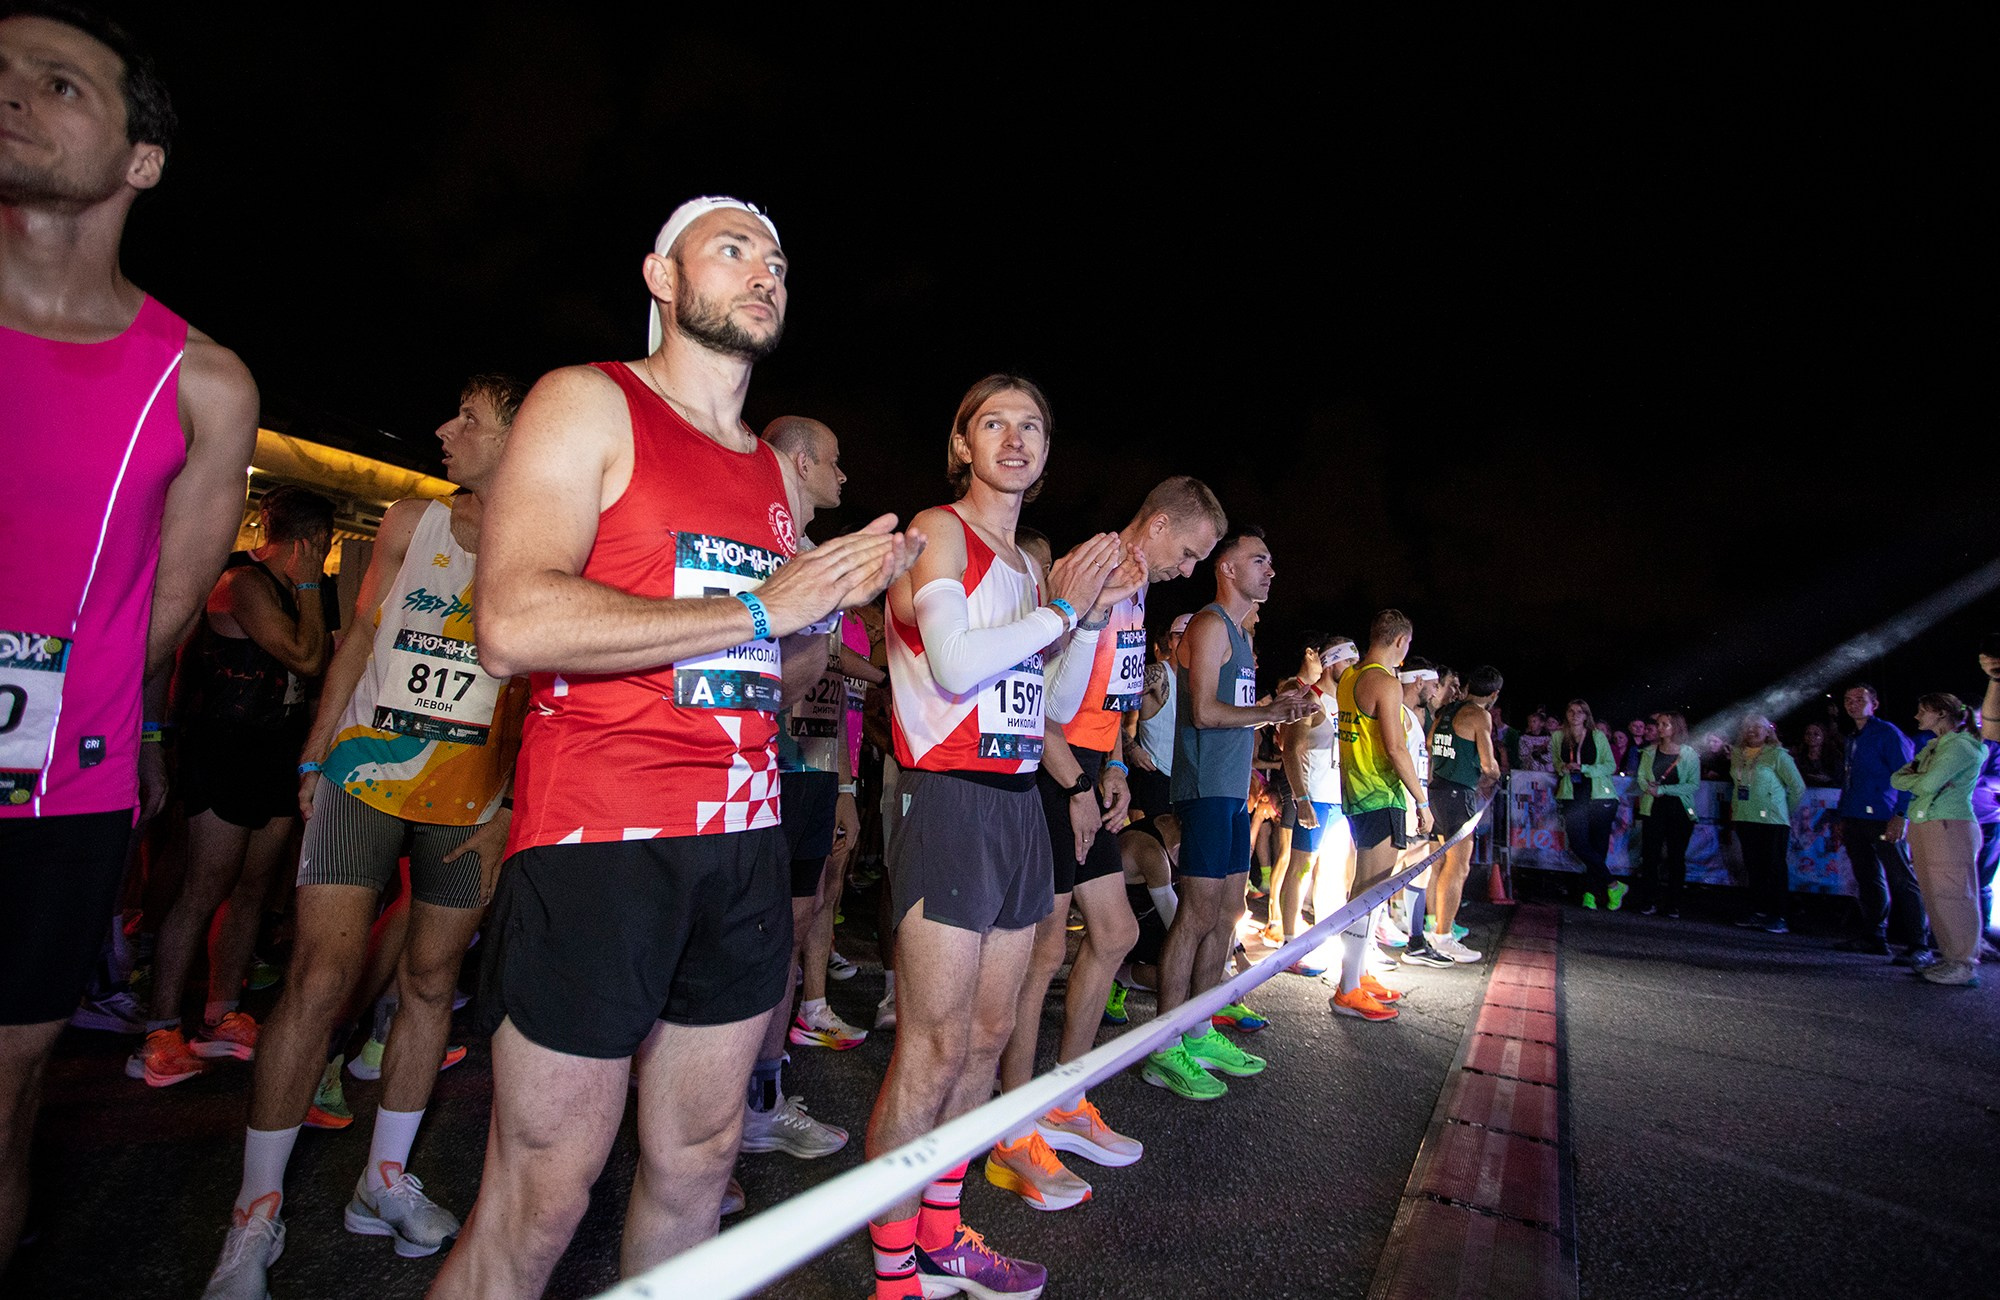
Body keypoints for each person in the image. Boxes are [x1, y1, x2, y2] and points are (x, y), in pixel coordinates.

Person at [427, 199, 921, 1300]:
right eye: (734, 250)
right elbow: (511, 622)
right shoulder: (589, 400)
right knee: (545, 1194)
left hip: (741, 840)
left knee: (698, 1165)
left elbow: (766, 678)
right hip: (601, 837)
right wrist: (760, 607)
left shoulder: (767, 477)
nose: (765, 274)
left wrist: (820, 611)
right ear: (660, 274)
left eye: (779, 262)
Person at [1, 6, 259, 1273]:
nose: (12, 98)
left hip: (49, 787)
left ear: (140, 160)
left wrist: (103, 710)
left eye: (56, 84)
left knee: (4, 1099)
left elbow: (161, 606)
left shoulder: (202, 383)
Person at [198, 377, 531, 1298]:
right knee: (319, 975)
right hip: (364, 774)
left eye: (469, 418)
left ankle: (383, 1180)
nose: (444, 428)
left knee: (429, 985)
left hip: (471, 797)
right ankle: (252, 1219)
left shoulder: (550, 543)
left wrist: (512, 809)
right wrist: (312, 757)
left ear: (520, 436)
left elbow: (546, 688)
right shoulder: (404, 524)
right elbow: (354, 643)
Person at [865, 373, 1125, 1299]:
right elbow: (955, 661)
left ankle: (942, 1236)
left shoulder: (1024, 569)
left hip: (1018, 802)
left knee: (985, 1037)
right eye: (992, 424)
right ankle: (893, 1270)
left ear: (1048, 451)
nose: (1013, 440)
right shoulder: (939, 532)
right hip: (946, 800)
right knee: (929, 1048)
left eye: (1031, 427)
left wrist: (1079, 623)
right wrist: (1061, 614)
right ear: (962, 443)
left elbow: (1036, 699)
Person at [991, 476, 1225, 1210]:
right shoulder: (1091, 570)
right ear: (1156, 525)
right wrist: (1075, 785)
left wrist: (1118, 764)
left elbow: (1108, 697)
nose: (1189, 570)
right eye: (1188, 553)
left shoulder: (1136, 584)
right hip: (1050, 776)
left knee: (1117, 932)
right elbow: (1035, 694)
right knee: (1043, 951)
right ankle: (1014, 1125)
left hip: (1092, 771)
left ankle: (1065, 1096)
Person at [132, 487, 335, 1086]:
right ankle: (160, 1027)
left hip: (274, 752)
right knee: (205, 886)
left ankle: (222, 1013)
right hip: (223, 750)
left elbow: (317, 662)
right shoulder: (243, 581)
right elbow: (305, 656)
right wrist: (307, 586)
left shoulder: (296, 588)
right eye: (322, 546)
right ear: (310, 540)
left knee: (252, 889)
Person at [1141, 529, 1309, 1100]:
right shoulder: (1212, 625)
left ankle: (1201, 1026)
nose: (1271, 571)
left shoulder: (1241, 634)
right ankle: (1163, 1047)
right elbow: (1208, 713)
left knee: (1230, 911)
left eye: (1272, 561)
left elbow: (1238, 715)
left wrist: (1277, 711)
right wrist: (1268, 708)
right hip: (1206, 787)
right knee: (1196, 913)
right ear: (1228, 568)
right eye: (1260, 560)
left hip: (1234, 790)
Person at [744, 416, 862, 1163]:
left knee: (790, 931)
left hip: (813, 770)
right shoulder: (747, 540)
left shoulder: (819, 560)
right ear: (799, 459)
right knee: (742, 942)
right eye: (837, 461)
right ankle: (712, 1118)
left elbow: (826, 687)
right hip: (749, 771)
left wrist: (843, 779)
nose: (844, 476)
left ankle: (762, 1099)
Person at [1327, 611, 1429, 1021]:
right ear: (1401, 641)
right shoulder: (1385, 682)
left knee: (1369, 891)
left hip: (1356, 793)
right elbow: (1396, 748)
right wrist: (1421, 801)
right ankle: (1347, 988)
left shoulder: (1350, 676)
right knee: (1368, 893)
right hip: (1379, 796)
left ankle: (1359, 973)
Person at [1892, 694, 1984, 986]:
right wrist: (1920, 780)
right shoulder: (1935, 746)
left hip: (1949, 825)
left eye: (1923, 711)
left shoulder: (1962, 746)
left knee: (1954, 895)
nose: (1918, 717)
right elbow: (1897, 778)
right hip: (1926, 823)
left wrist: (1919, 780)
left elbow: (1927, 782)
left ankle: (1964, 963)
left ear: (1942, 713)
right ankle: (1949, 957)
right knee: (1934, 896)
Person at [1833, 683, 1925, 958]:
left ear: (1874, 703)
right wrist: (1841, 815)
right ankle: (1874, 935)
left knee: (1901, 878)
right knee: (1868, 878)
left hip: (1884, 817)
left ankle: (1919, 944)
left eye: (1860, 699)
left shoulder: (1888, 734)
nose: (1852, 703)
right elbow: (1849, 782)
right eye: (1848, 699)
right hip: (1855, 817)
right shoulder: (1852, 736)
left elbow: (1908, 777)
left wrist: (1900, 815)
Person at [1426, 665, 1501, 959]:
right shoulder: (1480, 715)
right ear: (1494, 694)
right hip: (1458, 795)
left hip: (1437, 791)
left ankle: (1436, 929)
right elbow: (1488, 764)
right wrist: (1493, 774)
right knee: (1458, 867)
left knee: (1436, 865)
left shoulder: (1447, 710)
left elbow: (1431, 743)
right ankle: (1444, 937)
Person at [1728, 715, 1806, 934]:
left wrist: (1783, 811)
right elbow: (1737, 785)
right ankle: (1759, 910)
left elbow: (1798, 787)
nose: (1752, 730)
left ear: (1768, 731)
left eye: (1757, 727)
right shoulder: (1737, 754)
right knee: (1754, 867)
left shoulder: (1778, 755)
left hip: (1772, 821)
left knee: (1774, 868)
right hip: (1745, 817)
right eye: (1747, 726)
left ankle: (1779, 915)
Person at [1554, 700, 1621, 909]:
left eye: (1579, 712)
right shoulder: (1558, 736)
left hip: (1599, 795)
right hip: (1572, 795)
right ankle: (1613, 884)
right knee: (1579, 843)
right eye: (1571, 711)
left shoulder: (1597, 736)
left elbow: (1610, 765)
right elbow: (1556, 762)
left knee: (1598, 847)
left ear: (1586, 715)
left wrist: (1584, 768)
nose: (1575, 715)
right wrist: (1563, 767)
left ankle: (1590, 895)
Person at [1634, 712, 1700, 917]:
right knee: (1650, 856)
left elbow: (1692, 785)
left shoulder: (1689, 754)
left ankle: (1673, 903)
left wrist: (1662, 790)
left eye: (1665, 724)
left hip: (1679, 810)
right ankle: (1649, 899)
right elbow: (1641, 777)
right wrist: (1648, 787)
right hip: (1653, 808)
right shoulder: (1649, 752)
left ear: (1676, 728)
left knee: (1676, 858)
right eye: (1659, 724)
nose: (1659, 727)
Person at [1793, 722, 1845, 789]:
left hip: (1829, 794)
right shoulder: (1799, 759)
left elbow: (1841, 779)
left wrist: (1828, 780)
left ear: (1823, 736)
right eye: (1808, 734)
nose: (1811, 736)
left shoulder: (1833, 757)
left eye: (1816, 734)